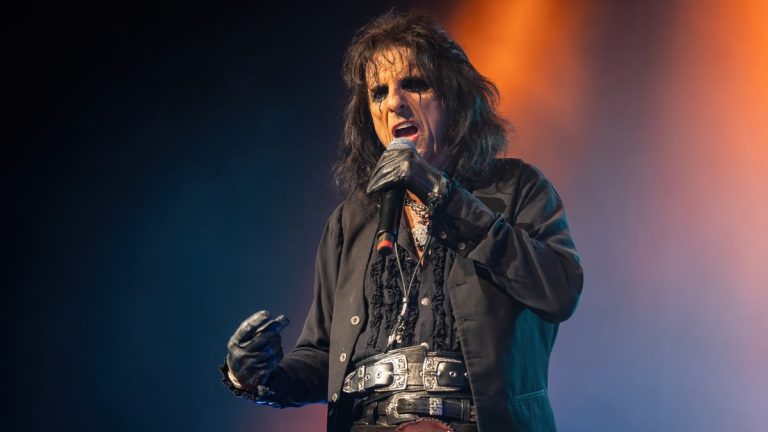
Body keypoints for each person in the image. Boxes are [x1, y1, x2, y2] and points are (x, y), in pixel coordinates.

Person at [222, 11, 583, 432]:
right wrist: (259, 377)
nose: (394, 102)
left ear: (453, 97)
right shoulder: (350, 221)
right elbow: (323, 356)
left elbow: (559, 291)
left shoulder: (517, 188)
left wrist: (444, 197)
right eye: (379, 92)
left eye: (414, 84)